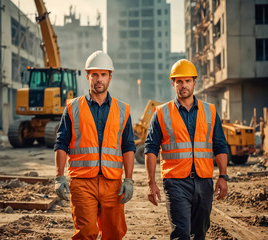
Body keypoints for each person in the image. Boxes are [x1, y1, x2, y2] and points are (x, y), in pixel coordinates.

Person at [54, 50, 135, 240]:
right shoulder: (73, 107)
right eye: (95, 74)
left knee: (114, 233)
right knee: (86, 233)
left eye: (103, 74)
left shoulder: (122, 110)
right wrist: (59, 177)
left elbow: (128, 146)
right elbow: (61, 143)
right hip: (82, 183)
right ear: (87, 76)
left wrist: (129, 180)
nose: (99, 79)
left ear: (110, 77)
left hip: (112, 184)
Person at [145, 59, 228, 240]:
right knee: (181, 232)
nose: (184, 85)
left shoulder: (210, 111)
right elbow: (150, 148)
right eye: (179, 81)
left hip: (204, 182)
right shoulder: (161, 113)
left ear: (194, 83)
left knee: (200, 232)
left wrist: (223, 176)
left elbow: (220, 145)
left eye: (187, 81)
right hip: (175, 182)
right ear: (173, 83)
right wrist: (151, 182)